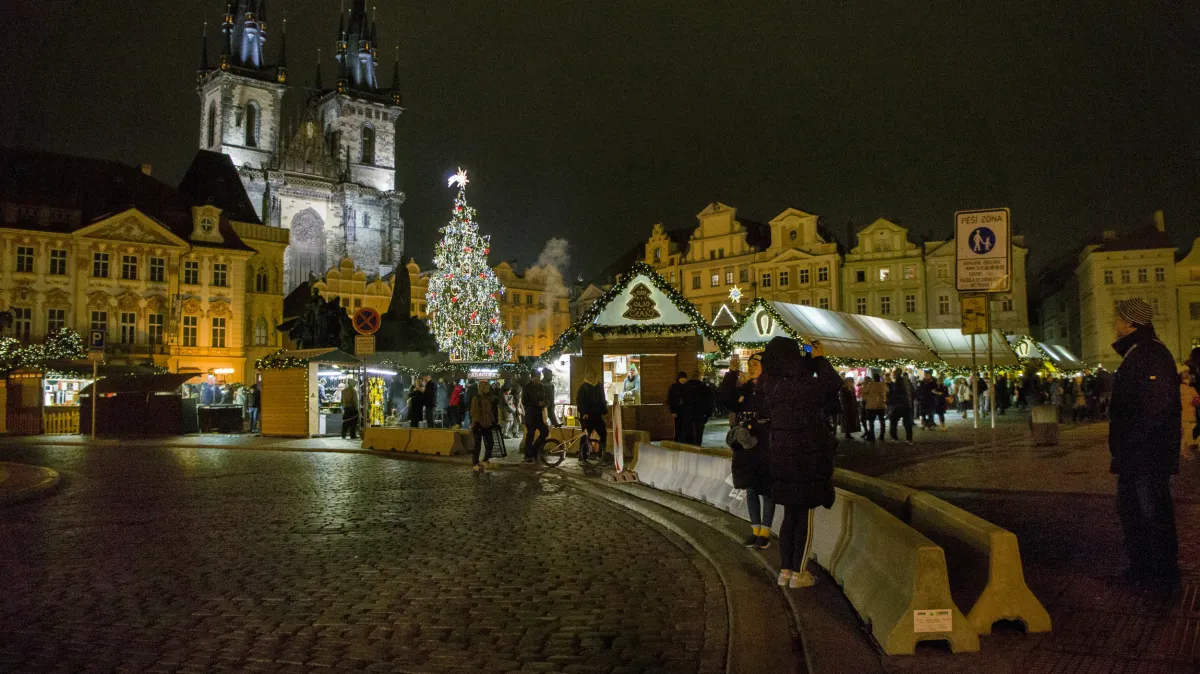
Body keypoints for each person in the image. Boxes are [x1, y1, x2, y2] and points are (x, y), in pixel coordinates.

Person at [757, 337, 841, 588]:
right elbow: (832, 385)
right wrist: (817, 359)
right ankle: (799, 573)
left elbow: (796, 379)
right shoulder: (803, 386)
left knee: (788, 517)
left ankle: (784, 572)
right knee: (803, 517)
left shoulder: (770, 385)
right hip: (806, 459)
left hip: (781, 459)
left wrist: (806, 361)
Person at [1108, 298, 1181, 588]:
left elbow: (1154, 408)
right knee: (1136, 510)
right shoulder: (1142, 352)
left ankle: (1158, 571)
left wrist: (1132, 446)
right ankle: (1145, 568)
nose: (1113, 324)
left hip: (1145, 455)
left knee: (1150, 511)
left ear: (1130, 323)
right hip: (1139, 454)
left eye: (1118, 319)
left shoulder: (1149, 354)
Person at [721, 352, 774, 549]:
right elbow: (724, 398)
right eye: (749, 363)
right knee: (750, 488)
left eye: (755, 364)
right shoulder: (745, 388)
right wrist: (732, 373)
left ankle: (766, 532)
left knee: (766, 491)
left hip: (764, 444)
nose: (751, 367)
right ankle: (755, 530)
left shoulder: (770, 389)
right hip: (745, 446)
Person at [576, 368, 608, 464]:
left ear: (594, 374)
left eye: (591, 373)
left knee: (603, 434)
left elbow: (602, 399)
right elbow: (580, 402)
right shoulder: (583, 387)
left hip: (597, 415)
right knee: (586, 436)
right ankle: (582, 456)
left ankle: (600, 454)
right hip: (587, 416)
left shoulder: (599, 385)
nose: (590, 375)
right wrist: (584, 412)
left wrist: (604, 411)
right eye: (588, 373)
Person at [470, 380, 497, 471]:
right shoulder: (476, 398)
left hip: (487, 424)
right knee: (477, 445)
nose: (488, 390)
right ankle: (475, 463)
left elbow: (490, 411)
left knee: (490, 443)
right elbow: (474, 411)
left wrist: (493, 421)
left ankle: (485, 459)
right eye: (486, 388)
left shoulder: (489, 398)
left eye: (488, 388)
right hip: (478, 424)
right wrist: (476, 422)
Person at [522, 370, 548, 463]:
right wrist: (537, 403)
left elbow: (544, 398)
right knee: (531, 434)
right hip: (530, 415)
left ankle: (534, 450)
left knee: (545, 431)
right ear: (532, 377)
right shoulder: (526, 387)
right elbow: (524, 402)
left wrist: (545, 403)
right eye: (536, 377)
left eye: (539, 377)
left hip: (539, 415)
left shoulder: (541, 387)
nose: (538, 378)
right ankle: (528, 455)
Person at [887, 368, 914, 444]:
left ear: (896, 374)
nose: (892, 375)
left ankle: (894, 438)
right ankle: (909, 439)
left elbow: (894, 393)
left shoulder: (897, 382)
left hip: (898, 405)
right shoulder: (906, 381)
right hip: (906, 404)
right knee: (907, 423)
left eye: (893, 373)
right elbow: (912, 392)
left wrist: (889, 384)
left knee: (893, 421)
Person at [684, 376, 713, 445]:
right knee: (698, 434)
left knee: (688, 433)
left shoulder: (686, 387)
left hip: (689, 415)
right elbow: (710, 403)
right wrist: (708, 415)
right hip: (700, 415)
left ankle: (690, 447)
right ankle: (697, 447)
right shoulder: (705, 389)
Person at [860, 372, 888, 443]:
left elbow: (864, 391)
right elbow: (888, 391)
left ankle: (872, 435)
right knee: (882, 420)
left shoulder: (870, 384)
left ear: (873, 378)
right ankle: (882, 435)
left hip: (871, 406)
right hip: (881, 405)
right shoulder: (883, 384)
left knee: (871, 421)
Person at [668, 372, 690, 443]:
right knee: (678, 428)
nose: (683, 379)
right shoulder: (673, 387)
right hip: (677, 411)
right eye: (682, 378)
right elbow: (670, 400)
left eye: (685, 378)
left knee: (685, 428)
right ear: (678, 378)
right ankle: (677, 443)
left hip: (686, 411)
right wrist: (672, 411)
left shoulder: (688, 387)